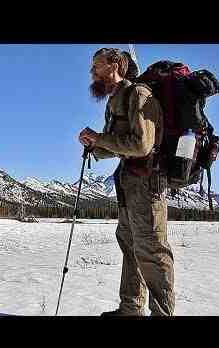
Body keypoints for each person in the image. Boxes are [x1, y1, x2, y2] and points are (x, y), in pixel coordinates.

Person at [78, 48, 175, 316]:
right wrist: (96, 146)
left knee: (152, 250)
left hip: (148, 183)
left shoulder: (138, 95)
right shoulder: (115, 99)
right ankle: (130, 309)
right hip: (129, 182)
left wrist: (99, 139)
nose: (92, 72)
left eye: (96, 65)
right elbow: (120, 145)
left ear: (115, 65)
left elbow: (142, 145)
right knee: (130, 245)